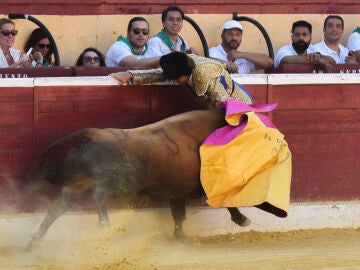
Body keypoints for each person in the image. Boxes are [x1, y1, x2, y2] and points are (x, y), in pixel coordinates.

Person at [109, 51, 292, 219]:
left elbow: (225, 104)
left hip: (237, 109)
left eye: (176, 79)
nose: (173, 82)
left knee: (226, 154)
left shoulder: (205, 76)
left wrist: (231, 125)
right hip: (215, 106)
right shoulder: (183, 64)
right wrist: (131, 75)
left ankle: (241, 195)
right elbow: (163, 72)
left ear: (186, 73)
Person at [209, 20, 273, 74]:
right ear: (222, 36)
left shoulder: (243, 56)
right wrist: (226, 64)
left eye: (238, 35)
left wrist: (242, 54)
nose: (234, 38)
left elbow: (269, 62)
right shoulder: (214, 51)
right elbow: (206, 61)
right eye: (230, 34)